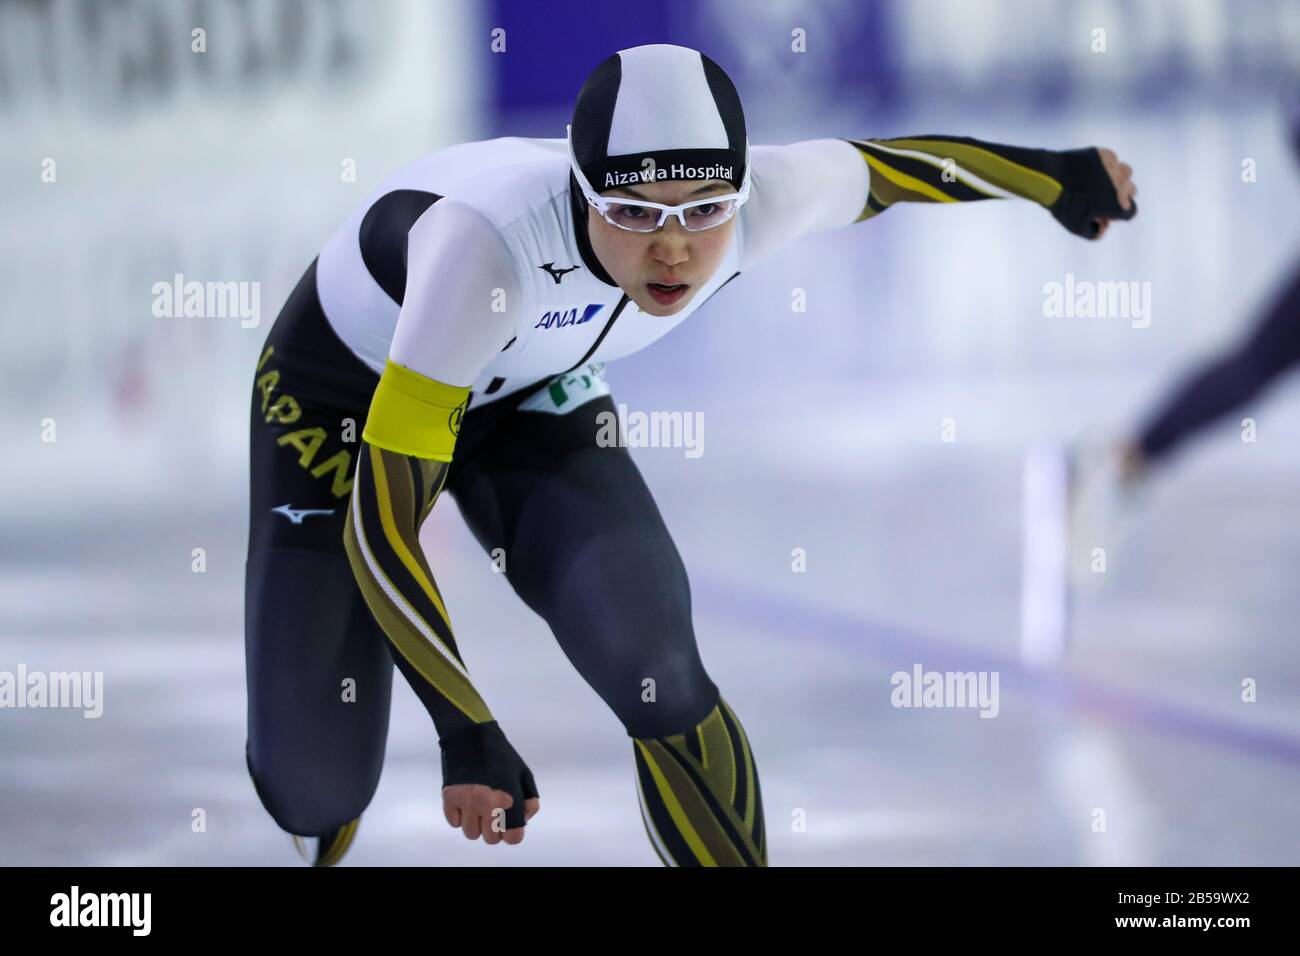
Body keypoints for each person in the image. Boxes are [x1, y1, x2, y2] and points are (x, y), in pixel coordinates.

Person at [244, 43, 1138, 866]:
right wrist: (464, 727)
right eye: (632, 214)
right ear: (580, 193)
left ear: (740, 194)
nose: (673, 249)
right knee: (315, 783)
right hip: (343, 403)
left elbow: (894, 170)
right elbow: (382, 523)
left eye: (706, 211)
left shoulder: (757, 208)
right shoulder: (486, 253)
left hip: (524, 390)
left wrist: (1058, 179)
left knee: (656, 665)